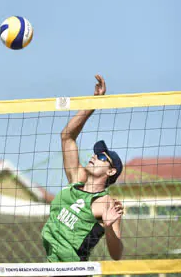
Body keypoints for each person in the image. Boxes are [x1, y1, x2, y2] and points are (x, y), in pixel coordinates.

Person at [41, 75, 124, 263]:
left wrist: (110, 228)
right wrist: (94, 102)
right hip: (51, 267)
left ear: (111, 171)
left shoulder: (106, 203)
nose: (95, 156)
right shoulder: (76, 179)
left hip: (73, 272)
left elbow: (117, 255)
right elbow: (67, 136)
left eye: (102, 157)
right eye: (96, 153)